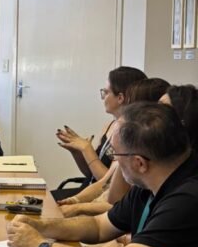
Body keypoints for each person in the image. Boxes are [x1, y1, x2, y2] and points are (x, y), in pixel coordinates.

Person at [7, 102, 198, 247]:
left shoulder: (187, 200)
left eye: (115, 154)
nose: (113, 160)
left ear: (139, 162)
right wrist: (42, 226)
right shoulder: (152, 180)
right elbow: (99, 226)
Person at [58, 77, 169, 215]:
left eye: (130, 102)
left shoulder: (144, 150)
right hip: (97, 202)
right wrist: (75, 201)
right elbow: (104, 183)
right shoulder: (116, 129)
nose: (126, 107)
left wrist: (86, 149)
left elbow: (114, 200)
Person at [55, 65, 146, 185]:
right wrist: (77, 152)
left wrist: (87, 149)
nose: (103, 97)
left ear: (120, 98)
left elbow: (109, 183)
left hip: (102, 194)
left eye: (106, 92)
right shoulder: (109, 126)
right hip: (90, 188)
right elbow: (90, 174)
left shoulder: (130, 133)